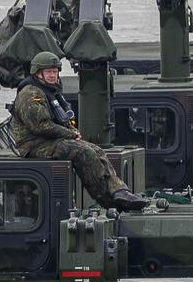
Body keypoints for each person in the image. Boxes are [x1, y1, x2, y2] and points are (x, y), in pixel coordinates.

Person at [8, 52, 148, 212]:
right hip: (33, 145)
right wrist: (70, 134)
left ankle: (119, 191)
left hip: (48, 141)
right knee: (83, 152)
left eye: (55, 71)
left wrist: (72, 130)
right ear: (38, 73)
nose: (53, 75)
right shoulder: (31, 94)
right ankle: (108, 200)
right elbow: (40, 125)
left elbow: (60, 119)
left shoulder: (49, 91)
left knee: (96, 150)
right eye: (48, 72)